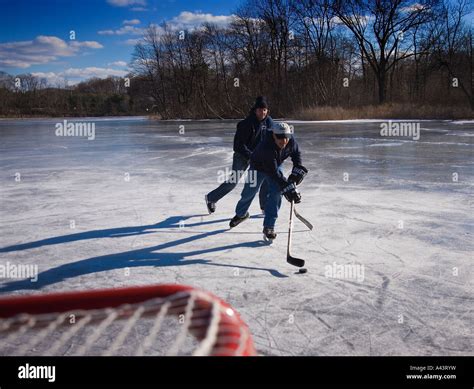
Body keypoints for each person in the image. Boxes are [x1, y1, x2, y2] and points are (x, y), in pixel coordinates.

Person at [229, 122, 308, 241]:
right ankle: (241, 214)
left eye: (286, 137)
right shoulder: (266, 146)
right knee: (248, 193)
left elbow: (296, 155)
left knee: (276, 193)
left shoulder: (290, 141)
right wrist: (287, 186)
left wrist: (295, 175)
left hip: (276, 165)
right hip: (258, 167)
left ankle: (269, 227)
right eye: (280, 138)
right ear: (274, 136)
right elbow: (273, 172)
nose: (284, 141)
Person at [205, 96, 274, 214]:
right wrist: (251, 155)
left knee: (267, 179)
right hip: (242, 156)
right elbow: (238, 145)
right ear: (254, 110)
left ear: (267, 111)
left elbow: (273, 139)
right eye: (259, 110)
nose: (262, 112)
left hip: (258, 157)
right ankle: (211, 198)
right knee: (233, 182)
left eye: (264, 110)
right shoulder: (246, 124)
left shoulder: (269, 122)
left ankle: (264, 206)